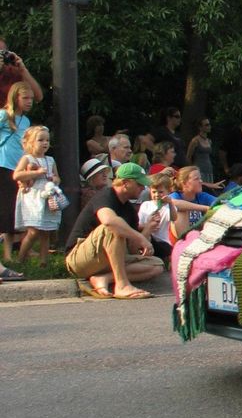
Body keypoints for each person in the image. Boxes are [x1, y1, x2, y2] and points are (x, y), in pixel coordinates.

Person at [64, 161, 163, 299]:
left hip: (108, 261)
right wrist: (140, 237)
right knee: (114, 227)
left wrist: (147, 230)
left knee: (157, 265)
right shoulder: (106, 195)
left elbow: (133, 249)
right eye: (139, 184)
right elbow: (109, 221)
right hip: (79, 259)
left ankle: (103, 278)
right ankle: (122, 285)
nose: (143, 188)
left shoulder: (129, 210)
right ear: (126, 183)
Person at [12, 125, 62, 265]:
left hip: (47, 197)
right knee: (33, 231)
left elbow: (58, 177)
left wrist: (55, 180)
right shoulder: (27, 159)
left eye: (47, 140)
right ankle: (21, 259)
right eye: (41, 140)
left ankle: (43, 262)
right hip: (33, 197)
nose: (45, 143)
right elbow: (17, 175)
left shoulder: (50, 160)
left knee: (46, 231)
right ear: (31, 142)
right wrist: (36, 173)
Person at [1, 81, 35, 262]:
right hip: (4, 165)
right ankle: (7, 255)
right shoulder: (4, 116)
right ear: (16, 98)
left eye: (31, 98)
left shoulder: (26, 121)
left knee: (17, 210)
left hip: (19, 168)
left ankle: (20, 251)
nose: (29, 101)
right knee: (6, 211)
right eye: (25, 98)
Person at [169, 165, 218, 241]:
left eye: (200, 178)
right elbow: (173, 203)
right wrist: (205, 208)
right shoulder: (175, 196)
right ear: (184, 183)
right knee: (182, 211)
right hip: (178, 240)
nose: (201, 181)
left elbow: (220, 203)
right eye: (196, 179)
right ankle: (184, 245)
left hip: (197, 236)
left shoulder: (202, 196)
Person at [137, 170, 178, 261]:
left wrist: (170, 203)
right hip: (148, 238)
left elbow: (174, 217)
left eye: (160, 192)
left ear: (168, 191)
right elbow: (139, 225)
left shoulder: (168, 207)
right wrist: (148, 226)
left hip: (162, 241)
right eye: (154, 192)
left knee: (165, 248)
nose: (157, 195)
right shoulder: (146, 205)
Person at [0, 36, 43, 106]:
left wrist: (23, 70)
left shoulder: (13, 71)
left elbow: (38, 97)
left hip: (11, 115)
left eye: (2, 52)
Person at [186, 116, 216, 183]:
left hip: (209, 169)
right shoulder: (195, 140)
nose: (209, 126)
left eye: (209, 124)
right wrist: (192, 170)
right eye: (206, 125)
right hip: (199, 169)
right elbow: (188, 157)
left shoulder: (209, 141)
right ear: (200, 127)